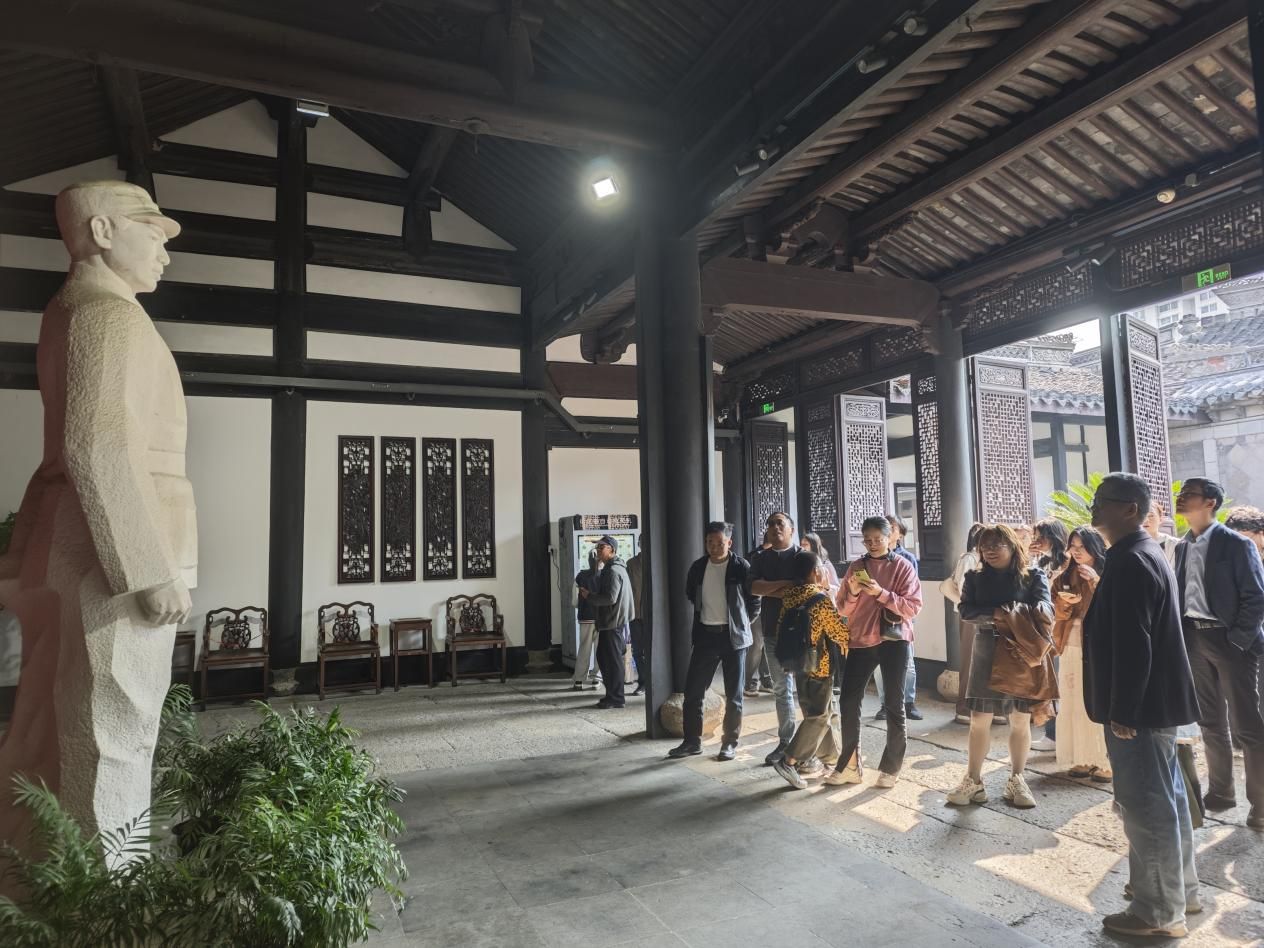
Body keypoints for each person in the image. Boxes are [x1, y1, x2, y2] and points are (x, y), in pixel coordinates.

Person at [1086, 473, 1200, 938]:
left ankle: (1157, 913)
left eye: (1102, 501)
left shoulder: (1132, 560)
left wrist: (1124, 710)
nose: (1094, 508)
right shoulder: (1140, 552)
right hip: (1156, 702)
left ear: (1130, 509)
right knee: (1167, 799)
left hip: (1141, 708)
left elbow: (1135, 644)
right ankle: (1180, 893)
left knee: (1146, 806)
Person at [1174, 477, 1264, 827]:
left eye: (1189, 494)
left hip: (1230, 642)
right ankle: (1221, 793)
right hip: (1194, 639)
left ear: (1210, 502)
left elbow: (1255, 597)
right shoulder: (1183, 546)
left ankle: (1260, 804)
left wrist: (1238, 641)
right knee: (1210, 722)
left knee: (1247, 726)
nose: (1181, 498)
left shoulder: (1236, 544)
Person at [946, 524, 1054, 810]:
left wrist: (1015, 614)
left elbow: (1046, 608)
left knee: (1019, 719)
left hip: (1021, 651)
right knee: (979, 718)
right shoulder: (974, 577)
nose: (989, 550)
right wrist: (999, 613)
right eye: (985, 545)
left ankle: (1017, 778)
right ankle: (973, 780)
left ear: (1012, 546)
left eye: (996, 545)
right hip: (986, 647)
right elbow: (966, 610)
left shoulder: (1034, 575)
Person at [829, 517, 923, 789]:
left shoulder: (902, 566)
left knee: (894, 703)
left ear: (890, 536)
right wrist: (854, 592)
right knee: (848, 701)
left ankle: (891, 768)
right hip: (861, 639)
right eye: (867, 540)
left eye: (877, 539)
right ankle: (849, 765)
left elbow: (913, 607)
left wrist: (881, 593)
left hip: (894, 641)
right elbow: (842, 609)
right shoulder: (856, 567)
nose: (872, 544)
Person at [669, 522, 760, 761]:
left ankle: (729, 743)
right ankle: (692, 741)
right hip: (705, 636)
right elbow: (691, 594)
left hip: (734, 638)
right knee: (693, 692)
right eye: (710, 542)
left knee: (734, 695)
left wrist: (741, 623)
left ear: (729, 543)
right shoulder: (698, 567)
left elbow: (754, 601)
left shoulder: (741, 567)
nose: (714, 547)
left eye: (720, 543)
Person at [772, 551, 850, 789]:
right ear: (816, 572)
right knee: (820, 716)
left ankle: (832, 760)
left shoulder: (789, 597)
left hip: (799, 665)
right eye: (822, 568)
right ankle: (789, 760)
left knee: (824, 713)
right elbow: (839, 633)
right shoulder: (820, 600)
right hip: (820, 666)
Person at [1051, 527, 1111, 781]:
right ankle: (1082, 758)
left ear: (1094, 548)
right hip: (1071, 642)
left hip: (1098, 643)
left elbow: (1114, 605)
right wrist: (1064, 603)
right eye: (1073, 547)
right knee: (1073, 699)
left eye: (1081, 547)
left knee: (1097, 699)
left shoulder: (1108, 571)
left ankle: (1105, 760)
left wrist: (1095, 581)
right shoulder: (1066, 574)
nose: (1076, 552)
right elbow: (1056, 610)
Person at [748, 512, 804, 766]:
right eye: (770, 524)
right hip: (772, 631)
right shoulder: (760, 558)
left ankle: (811, 746)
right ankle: (786, 742)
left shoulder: (803, 557)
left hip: (802, 633)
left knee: (807, 691)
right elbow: (753, 588)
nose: (774, 527)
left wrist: (770, 586)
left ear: (792, 529)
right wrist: (785, 584)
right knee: (782, 690)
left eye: (780, 523)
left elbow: (803, 589)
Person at [874, 514, 921, 721]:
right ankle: (885, 704)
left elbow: (913, 591)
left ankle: (908, 703)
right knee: (879, 664)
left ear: (900, 534)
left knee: (907, 662)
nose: (887, 530)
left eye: (892, 527)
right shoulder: (872, 557)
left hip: (901, 615)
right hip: (877, 616)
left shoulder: (908, 558)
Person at [581, 535, 634, 709]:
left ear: (612, 550)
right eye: (597, 547)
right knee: (605, 658)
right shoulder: (614, 568)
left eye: (601, 547)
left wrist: (589, 596)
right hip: (612, 622)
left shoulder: (612, 571)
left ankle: (616, 698)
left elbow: (610, 598)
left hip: (612, 622)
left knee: (611, 661)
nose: (598, 550)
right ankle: (612, 695)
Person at [1030, 518, 1069, 753]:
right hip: (1044, 625)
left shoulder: (1066, 561)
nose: (1037, 541)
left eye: (1041, 536)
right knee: (1048, 681)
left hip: (1061, 625)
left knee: (1060, 680)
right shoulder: (1041, 561)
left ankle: (1057, 735)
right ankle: (1051, 733)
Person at [941, 522, 985, 724]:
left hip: (985, 615)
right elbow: (963, 587)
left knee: (986, 662)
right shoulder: (970, 558)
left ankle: (986, 707)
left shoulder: (985, 560)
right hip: (971, 615)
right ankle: (964, 708)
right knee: (970, 661)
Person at [745, 527, 776, 697]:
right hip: (757, 605)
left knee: (768, 641)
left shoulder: (777, 557)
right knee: (757, 644)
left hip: (772, 605)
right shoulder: (754, 557)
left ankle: (766, 679)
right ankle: (749, 681)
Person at [571, 550, 603, 691]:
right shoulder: (605, 575)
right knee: (599, 649)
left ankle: (579, 679)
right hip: (601, 618)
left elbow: (574, 601)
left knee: (584, 648)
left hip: (585, 617)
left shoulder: (580, 576)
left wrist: (581, 606)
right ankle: (596, 678)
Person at [626, 547, 647, 697]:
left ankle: (654, 681)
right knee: (638, 651)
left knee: (653, 651)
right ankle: (643, 682)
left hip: (653, 615)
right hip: (635, 615)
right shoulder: (631, 564)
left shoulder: (657, 561)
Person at [799, 532, 839, 597]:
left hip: (822, 600)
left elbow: (837, 589)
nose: (802, 547)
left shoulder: (825, 564)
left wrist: (827, 586)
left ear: (813, 545)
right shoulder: (801, 562)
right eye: (801, 544)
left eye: (805, 544)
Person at [1144, 501, 1180, 565]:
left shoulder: (1175, 544)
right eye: (1142, 516)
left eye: (1151, 516)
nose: (1146, 520)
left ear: (1160, 518)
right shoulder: (1130, 545)